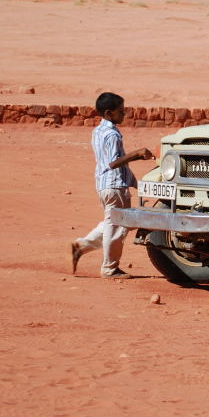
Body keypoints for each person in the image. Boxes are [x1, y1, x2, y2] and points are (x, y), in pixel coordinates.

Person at [70, 92, 154, 278]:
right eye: (121, 111)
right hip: (114, 185)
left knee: (113, 222)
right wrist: (138, 153)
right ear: (109, 113)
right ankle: (110, 268)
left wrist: (133, 181)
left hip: (104, 184)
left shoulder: (97, 131)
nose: (124, 114)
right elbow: (114, 162)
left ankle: (81, 246)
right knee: (118, 226)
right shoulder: (112, 134)